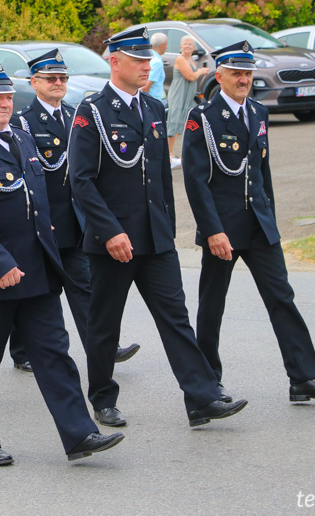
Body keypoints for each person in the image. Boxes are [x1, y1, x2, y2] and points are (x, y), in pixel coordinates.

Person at [0, 60, 125, 466]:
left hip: (36, 272)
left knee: (55, 355)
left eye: (7, 96)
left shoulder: (22, 141)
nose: (4, 103)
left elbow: (39, 207)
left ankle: (80, 434)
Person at [69, 27, 248, 429]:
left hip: (155, 237)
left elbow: (162, 177)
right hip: (114, 241)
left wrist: (166, 224)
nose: (146, 66)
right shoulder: (92, 111)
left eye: (147, 59)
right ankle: (101, 398)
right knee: (104, 323)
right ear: (114, 62)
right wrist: (109, 231)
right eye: (137, 60)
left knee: (175, 319)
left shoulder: (152, 108)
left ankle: (201, 397)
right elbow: (81, 180)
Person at [182, 41, 315, 406]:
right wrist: (212, 230)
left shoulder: (258, 112)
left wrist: (270, 219)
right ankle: (207, 387)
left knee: (282, 298)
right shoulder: (203, 118)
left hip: (259, 225)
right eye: (236, 74)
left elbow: (262, 172)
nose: (244, 80)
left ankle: (304, 378)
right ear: (219, 75)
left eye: (248, 73)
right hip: (223, 229)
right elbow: (196, 181)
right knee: (212, 306)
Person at [9, 48, 140, 371]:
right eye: (50, 79)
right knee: (32, 290)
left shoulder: (76, 116)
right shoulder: (22, 121)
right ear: (34, 82)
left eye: (62, 78)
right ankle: (22, 350)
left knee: (85, 287)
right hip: (40, 224)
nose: (57, 83)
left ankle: (104, 346)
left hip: (74, 223)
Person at [166, 36, 208, 169]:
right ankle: (168, 154)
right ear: (180, 47)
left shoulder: (191, 59)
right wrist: (201, 71)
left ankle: (179, 153)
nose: (188, 46)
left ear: (194, 47)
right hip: (179, 94)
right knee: (174, 121)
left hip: (188, 97)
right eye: (185, 44)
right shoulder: (180, 59)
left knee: (187, 122)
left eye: (190, 44)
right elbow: (191, 76)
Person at [141, 33, 168, 102]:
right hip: (152, 102)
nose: (167, 47)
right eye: (166, 44)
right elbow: (146, 87)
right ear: (161, 46)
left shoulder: (147, 57)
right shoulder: (157, 62)